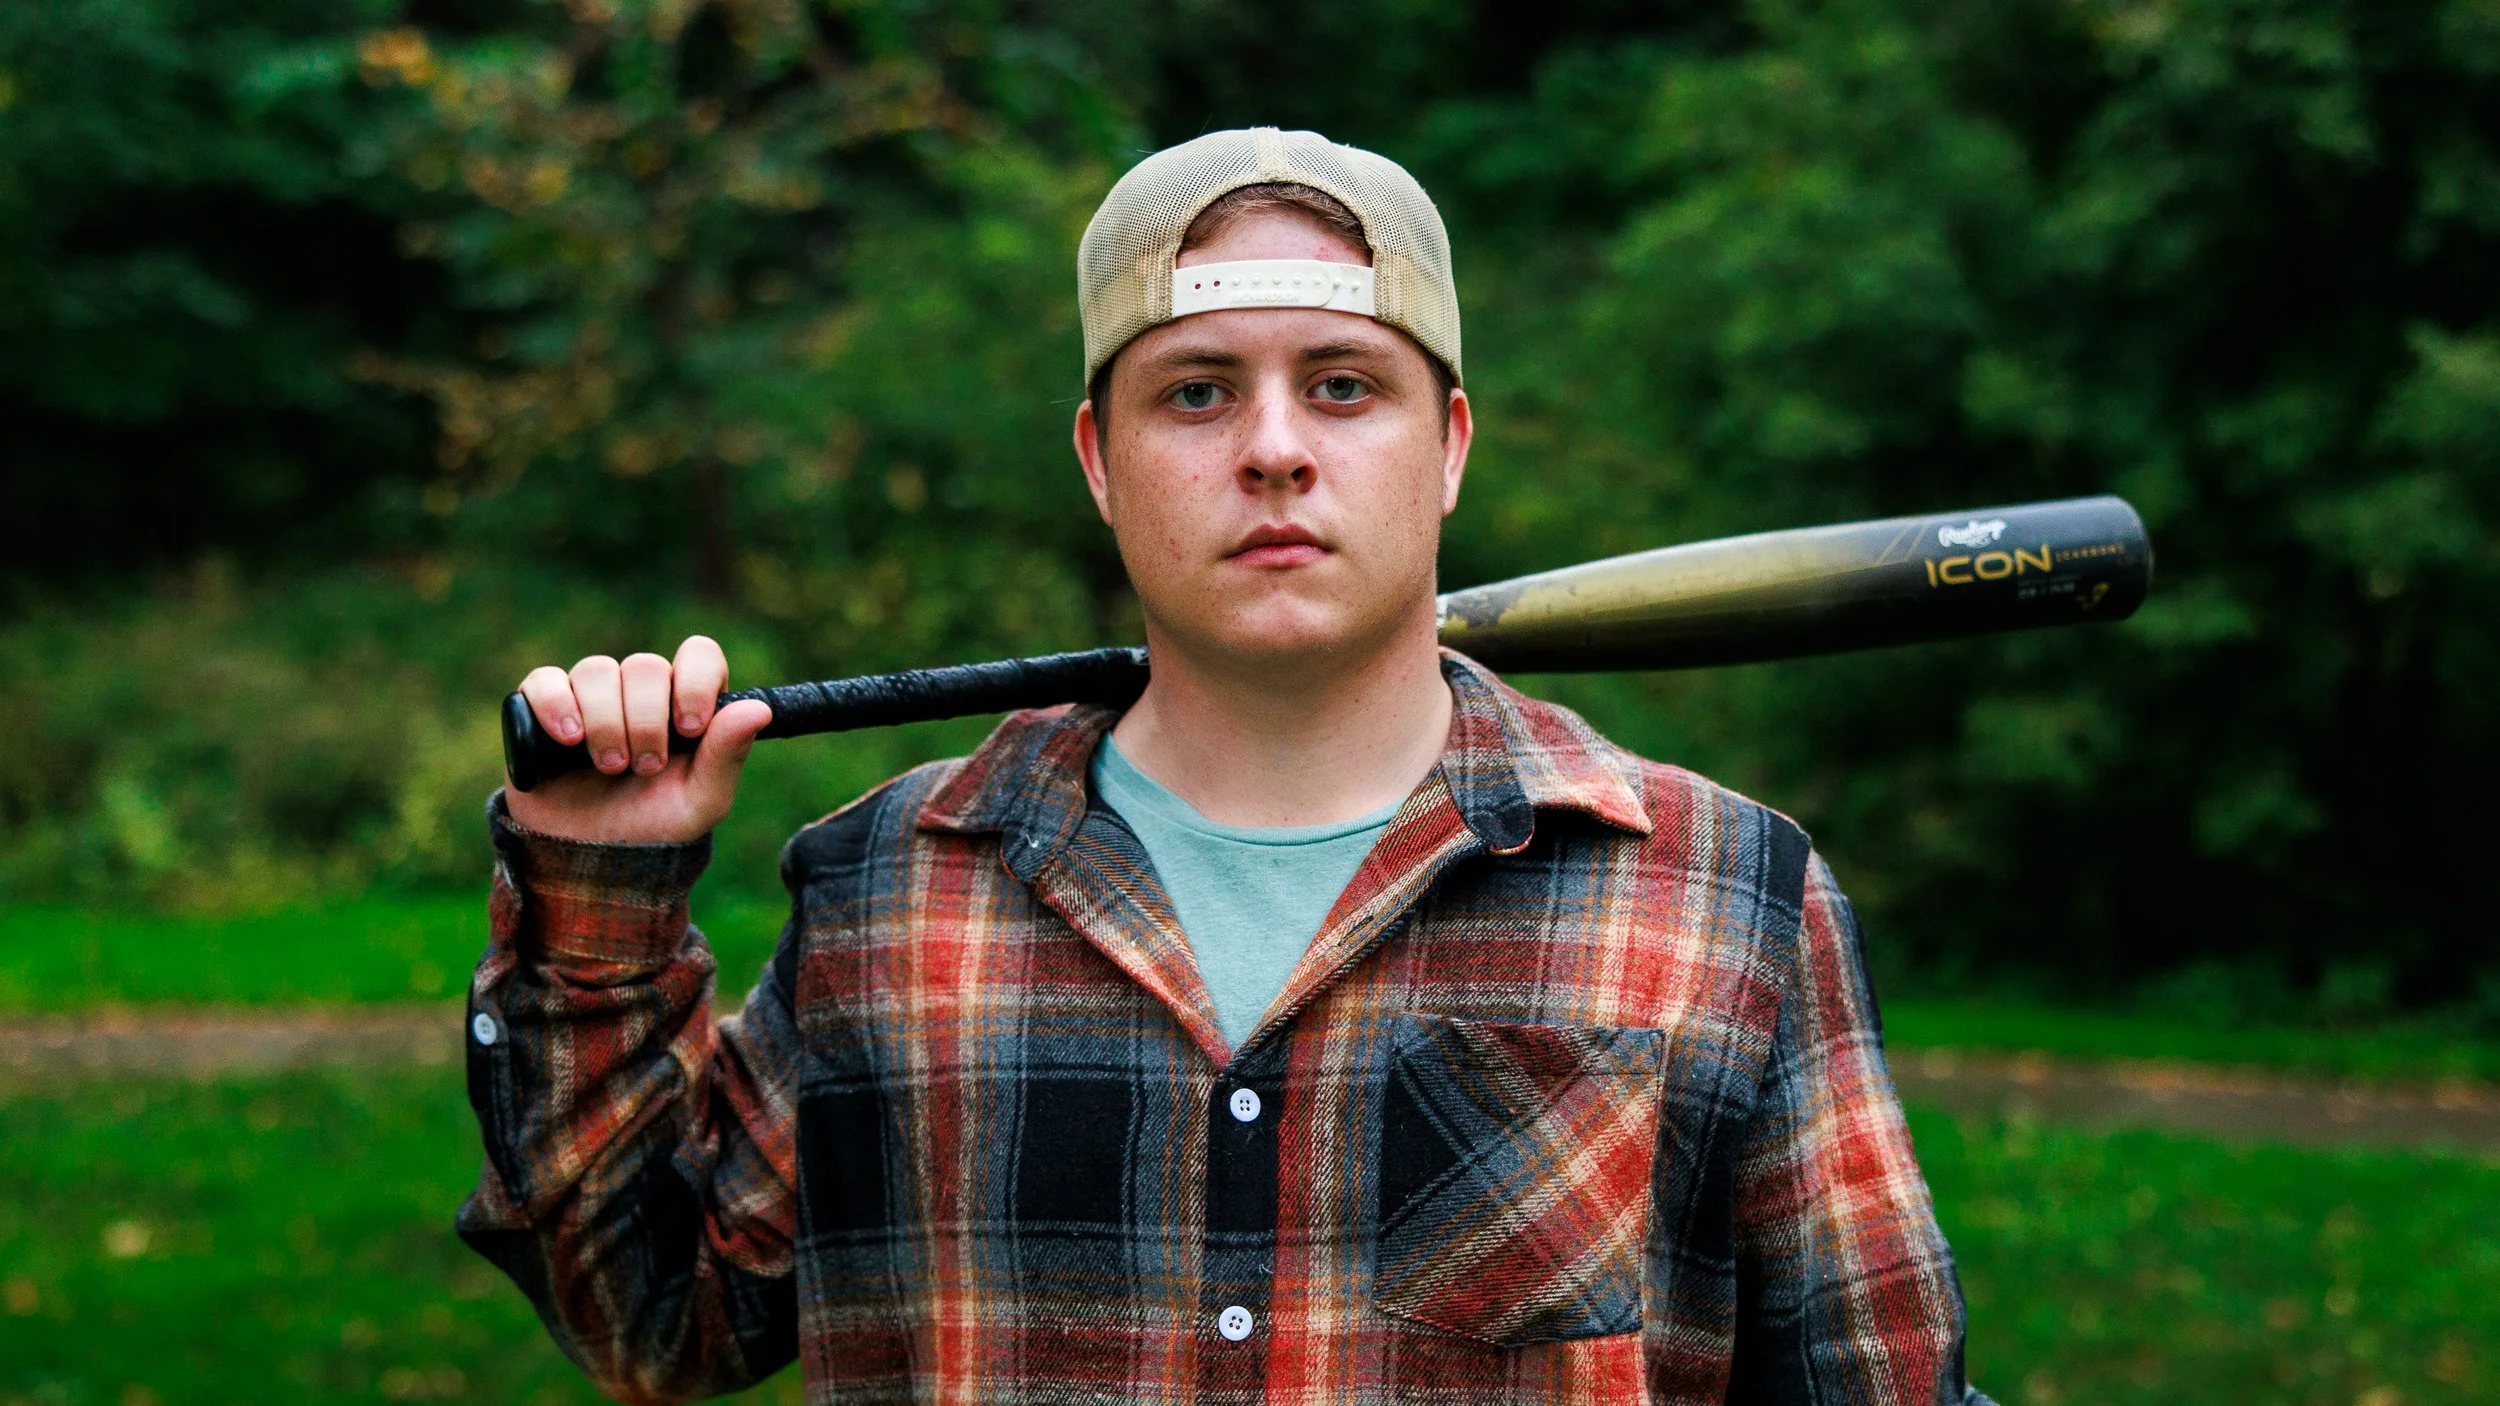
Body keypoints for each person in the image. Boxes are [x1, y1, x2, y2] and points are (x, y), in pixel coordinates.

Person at [463, 126, 1990, 1405]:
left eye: (1342, 385)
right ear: (1097, 458)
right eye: (1196, 392)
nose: (1273, 447)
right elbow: (649, 1320)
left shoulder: (1721, 896)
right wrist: (599, 890)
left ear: (1446, 445)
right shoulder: (891, 891)